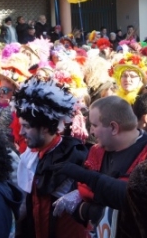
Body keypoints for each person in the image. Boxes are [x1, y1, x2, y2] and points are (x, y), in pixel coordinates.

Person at [51, 95, 147, 237]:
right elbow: (82, 193)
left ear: (114, 127)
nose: (91, 132)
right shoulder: (97, 151)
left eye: (95, 125)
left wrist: (91, 209)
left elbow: (132, 201)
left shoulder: (144, 156)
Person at [14, 77, 88, 238]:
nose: (21, 132)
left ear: (46, 127)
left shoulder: (75, 155)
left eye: (26, 126)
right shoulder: (29, 156)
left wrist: (80, 193)